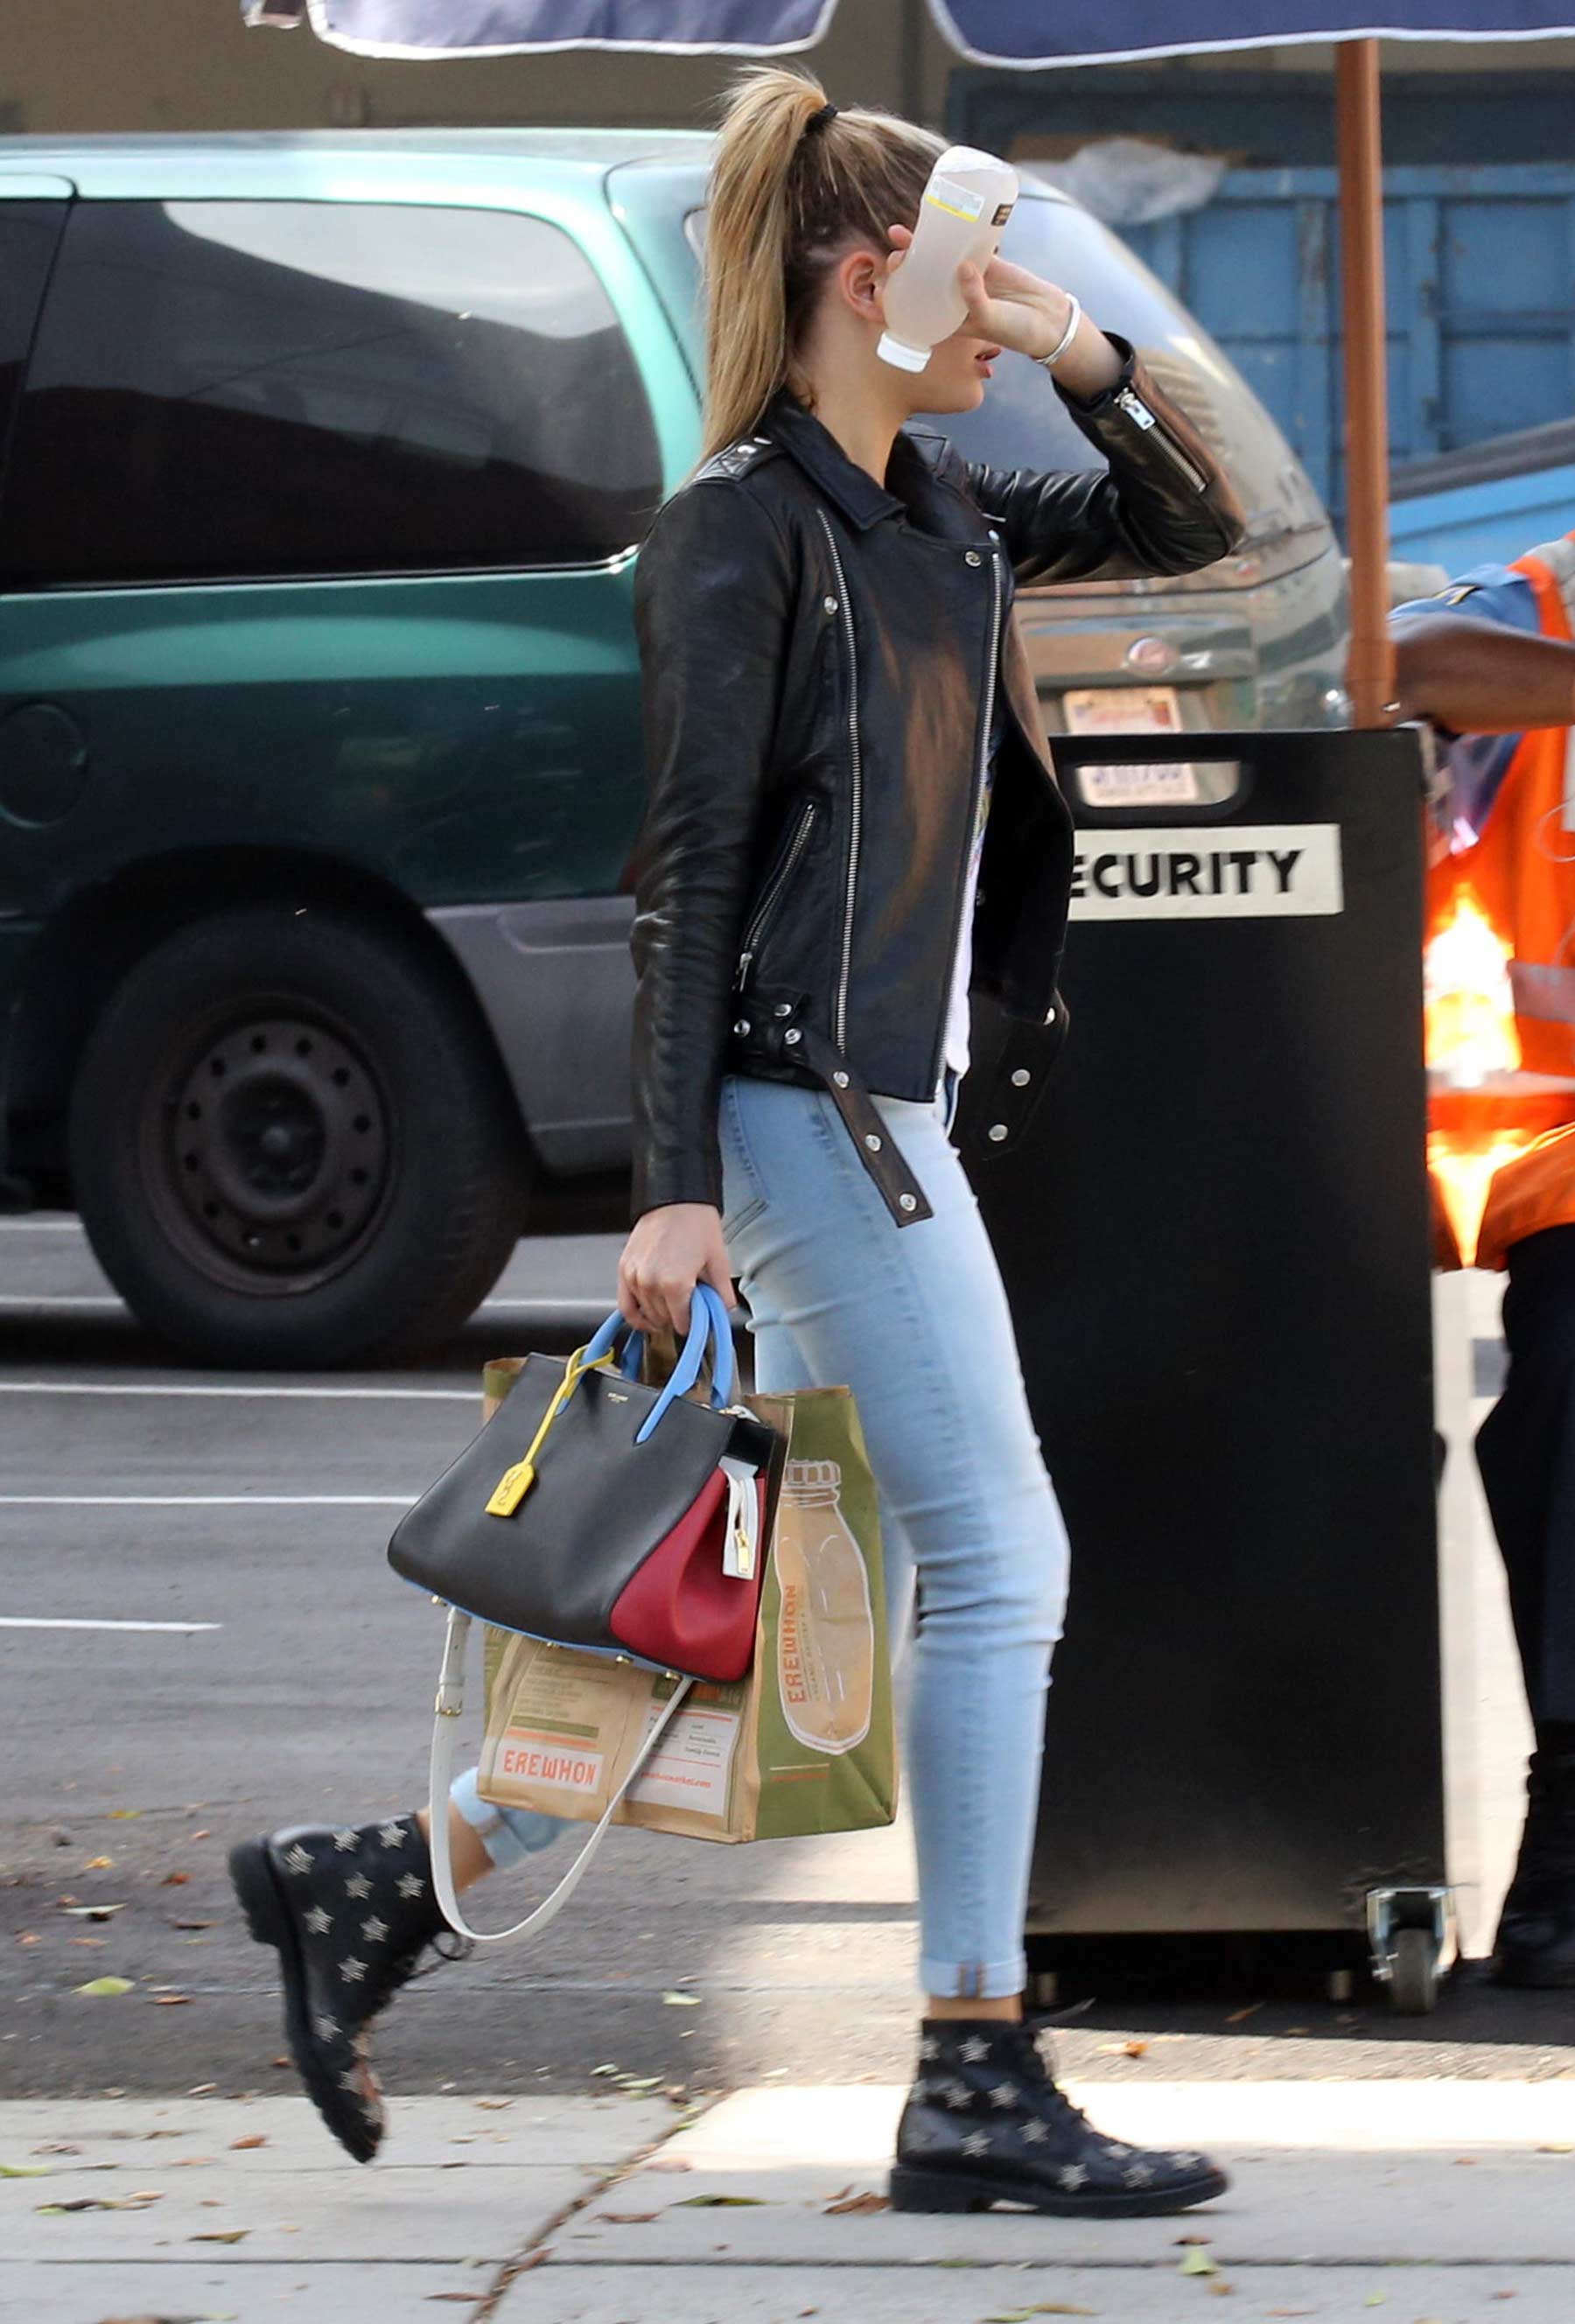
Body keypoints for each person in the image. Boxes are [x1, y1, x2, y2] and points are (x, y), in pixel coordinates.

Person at [229, 68, 1244, 2214]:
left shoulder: (940, 512)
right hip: (805, 1115)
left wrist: (1077, 349)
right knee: (1004, 1561)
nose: (1004, 309)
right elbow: (685, 871)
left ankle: (382, 1883)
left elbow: (1192, 523)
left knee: (756, 1593)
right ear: (872, 276)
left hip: (879, 1112)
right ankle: (973, 2063)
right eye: (978, 269)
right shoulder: (740, 527)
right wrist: (669, 1182)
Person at [1393, 531, 1575, 1987]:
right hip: (1568, 1170)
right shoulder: (1549, 607)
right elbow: (1400, 662)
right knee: (1567, 1410)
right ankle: (1568, 1831)